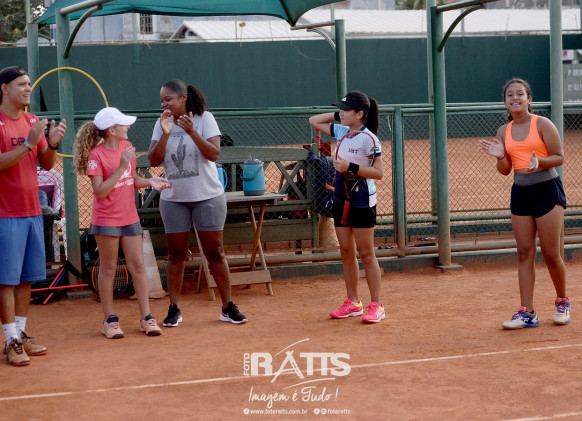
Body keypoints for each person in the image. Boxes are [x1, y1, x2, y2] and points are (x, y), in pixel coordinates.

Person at [148, 79, 247, 325]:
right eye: (161, 100)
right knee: (176, 254)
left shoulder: (204, 119)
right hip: (174, 199)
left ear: (183, 98)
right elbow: (153, 160)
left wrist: (192, 131)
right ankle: (174, 308)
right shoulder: (161, 123)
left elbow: (214, 153)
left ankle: (227, 307)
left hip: (207, 196)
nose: (164, 104)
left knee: (216, 252)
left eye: (168, 99)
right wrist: (165, 134)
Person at [478, 78, 570, 329]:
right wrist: (500, 157)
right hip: (520, 192)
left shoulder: (542, 124)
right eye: (510, 95)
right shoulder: (503, 131)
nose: (515, 98)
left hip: (547, 190)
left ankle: (562, 302)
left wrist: (539, 161)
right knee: (524, 252)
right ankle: (527, 312)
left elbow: (559, 157)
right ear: (505, 102)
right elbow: (505, 170)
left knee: (551, 254)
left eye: (520, 94)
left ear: (529, 99)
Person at [73, 107, 170, 339]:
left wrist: (150, 182)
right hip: (106, 220)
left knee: (138, 267)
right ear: (111, 130)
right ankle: (109, 321)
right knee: (108, 269)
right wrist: (120, 166)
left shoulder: (126, 147)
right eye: (123, 124)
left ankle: (146, 318)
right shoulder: (96, 156)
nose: (127, 127)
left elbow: (129, 179)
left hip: (129, 218)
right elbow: (100, 191)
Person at [0, 66, 66, 365]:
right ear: (4, 88)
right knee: (6, 280)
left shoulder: (32, 121)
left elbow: (47, 164)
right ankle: (10, 339)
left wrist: (51, 143)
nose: (28, 88)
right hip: (5, 214)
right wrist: (28, 143)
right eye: (21, 84)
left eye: (29, 83)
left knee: (26, 278)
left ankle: (21, 333)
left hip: (32, 212)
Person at [309, 90, 385, 323]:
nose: (341, 113)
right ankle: (353, 302)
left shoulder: (370, 139)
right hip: (340, 198)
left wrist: (350, 167)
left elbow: (378, 173)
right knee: (345, 251)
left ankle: (376, 305)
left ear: (360, 114)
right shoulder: (342, 131)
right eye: (340, 109)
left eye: (346, 109)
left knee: (366, 254)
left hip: (362, 200)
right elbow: (314, 120)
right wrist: (340, 115)